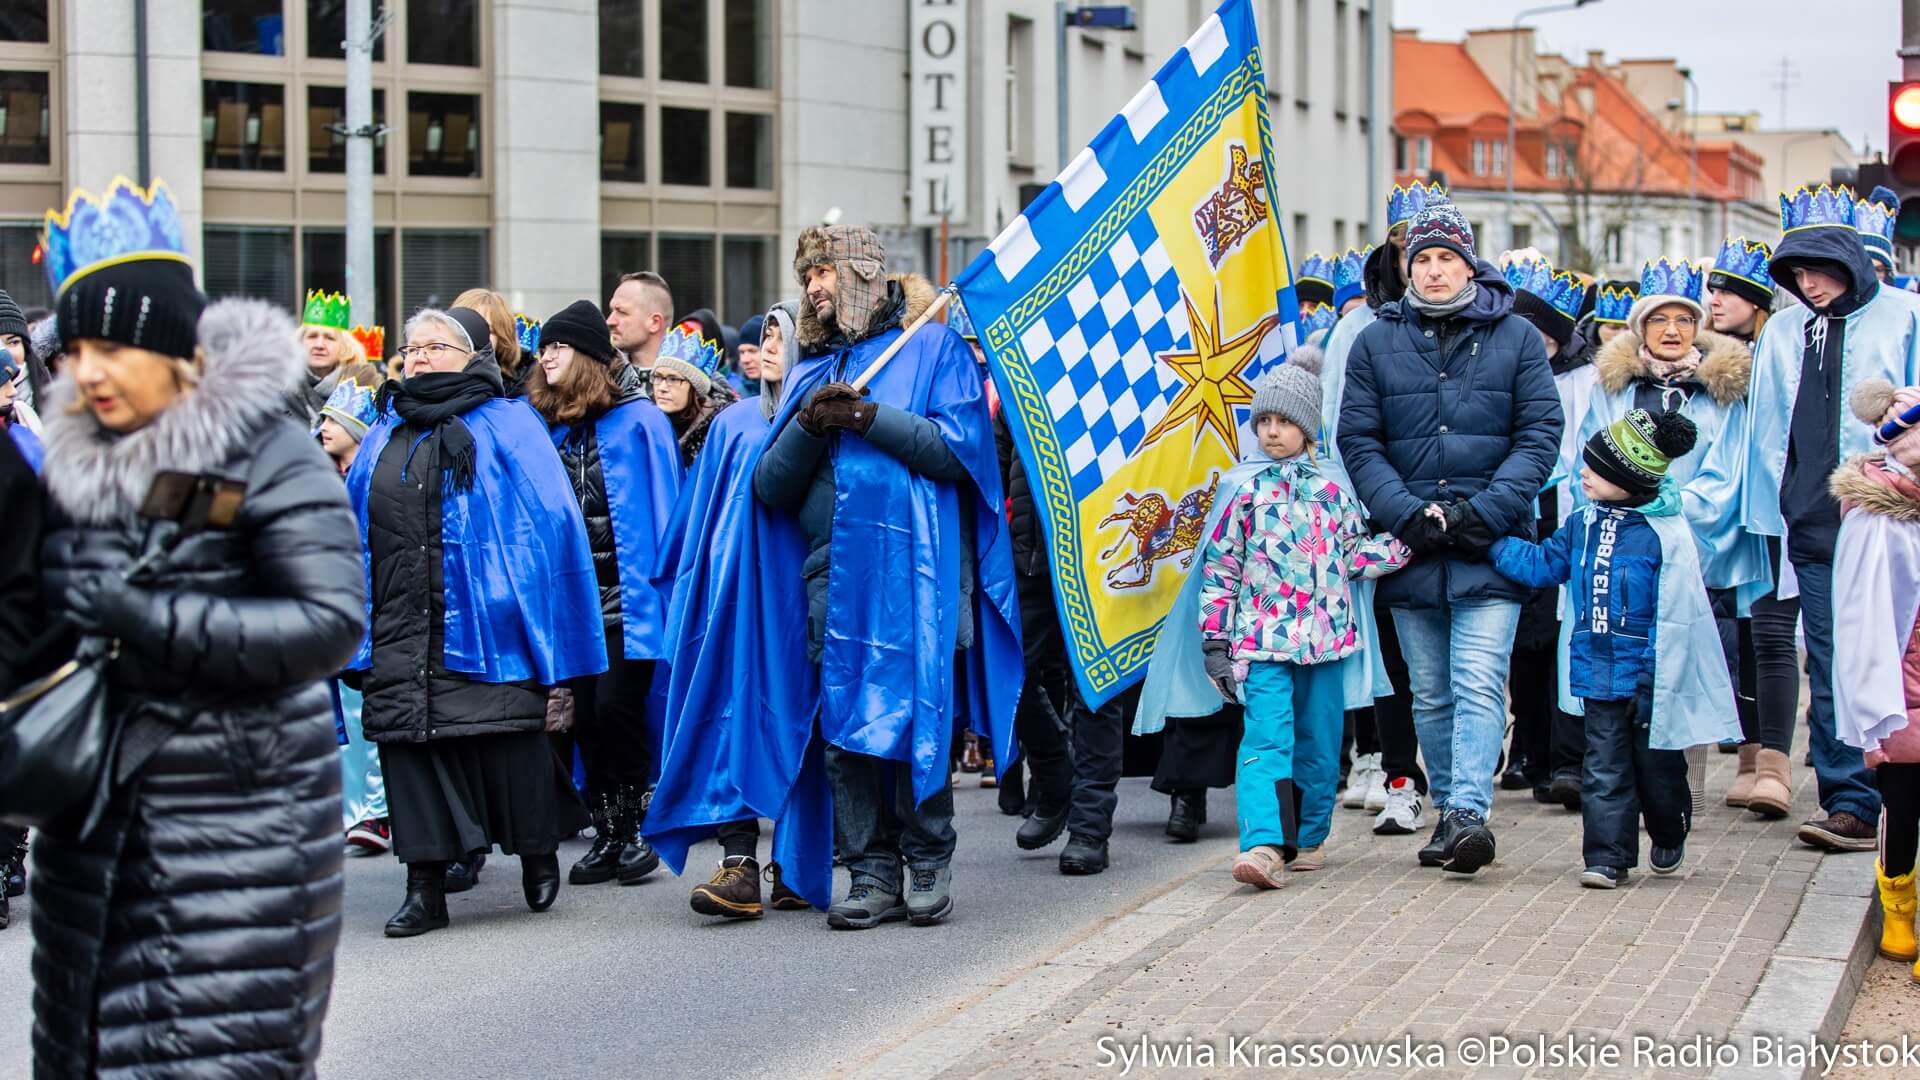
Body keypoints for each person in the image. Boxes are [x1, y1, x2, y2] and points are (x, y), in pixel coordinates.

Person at [29, 177, 364, 1074]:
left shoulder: (265, 449)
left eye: (109, 348)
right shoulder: (77, 463)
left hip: (236, 832)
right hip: (92, 834)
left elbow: (329, 620)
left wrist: (142, 615)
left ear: (170, 345)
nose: (85, 372)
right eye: (74, 350)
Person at [750, 225, 1020, 927]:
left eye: (824, 271)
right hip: (834, 578)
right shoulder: (813, 369)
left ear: (864, 272)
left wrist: (870, 417)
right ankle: (869, 871)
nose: (812, 287)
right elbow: (769, 487)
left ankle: (927, 858)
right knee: (845, 729)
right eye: (806, 275)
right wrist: (809, 424)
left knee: (919, 715)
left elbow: (959, 454)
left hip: (918, 575)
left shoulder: (932, 349)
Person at [344, 305, 608, 937]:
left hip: (490, 622)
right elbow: (352, 532)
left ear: (472, 356)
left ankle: (536, 851)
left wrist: (531, 614)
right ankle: (424, 888)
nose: (419, 357)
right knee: (411, 750)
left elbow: (549, 525)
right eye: (412, 348)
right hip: (402, 623)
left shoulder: (508, 423)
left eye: (435, 346)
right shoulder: (384, 430)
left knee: (506, 743)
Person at [1338, 196, 1563, 876]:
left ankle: (1468, 811)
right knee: (1431, 692)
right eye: (1423, 259)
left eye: (1447, 258)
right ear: (1407, 267)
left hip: (1487, 544)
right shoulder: (1375, 341)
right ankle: (1448, 813)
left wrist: (1482, 513)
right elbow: (1359, 440)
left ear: (1470, 265)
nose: (1434, 270)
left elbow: (1538, 436)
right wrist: (1404, 513)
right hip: (1411, 549)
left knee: (1478, 680)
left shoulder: (1515, 337)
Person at [1729, 185, 1920, 852]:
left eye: (1819, 269)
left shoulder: (1905, 316)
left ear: (1851, 261)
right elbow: (1765, 433)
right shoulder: (1784, 331)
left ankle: (1899, 787)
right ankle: (1851, 799)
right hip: (1809, 520)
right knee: (1835, 660)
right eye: (1797, 273)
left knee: (1897, 656)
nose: (1808, 284)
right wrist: (1766, 514)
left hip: (1891, 519)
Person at [1491, 409, 1735, 888]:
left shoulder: (1664, 535)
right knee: (1603, 769)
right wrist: (1490, 543)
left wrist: (1652, 676)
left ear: (1628, 478)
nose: (1584, 472)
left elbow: (1677, 614)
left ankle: (1670, 828)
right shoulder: (1581, 524)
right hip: (1596, 673)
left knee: (1656, 768)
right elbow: (1542, 565)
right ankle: (1607, 857)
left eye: (1597, 468)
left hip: (1650, 681)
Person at [1199, 359, 1409, 888]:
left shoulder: (1333, 490)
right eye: (1265, 421)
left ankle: (1310, 835)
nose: (1273, 431)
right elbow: (1222, 568)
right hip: (1261, 643)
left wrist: (1408, 542)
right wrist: (1215, 641)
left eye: (1285, 421)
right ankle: (1264, 844)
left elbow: (1354, 556)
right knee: (1266, 741)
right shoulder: (1242, 490)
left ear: (1308, 427)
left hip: (1325, 642)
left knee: (1318, 743)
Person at [1580, 257, 1769, 817]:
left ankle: (1683, 796)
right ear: (1640, 327)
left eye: (1683, 320)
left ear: (1697, 328)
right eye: (1659, 319)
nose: (1671, 330)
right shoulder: (1613, 390)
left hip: (1692, 547)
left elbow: (1728, 470)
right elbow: (1586, 454)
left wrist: (1675, 508)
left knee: (1686, 665)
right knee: (1627, 667)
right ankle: (1627, 793)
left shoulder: (1720, 394)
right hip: (1623, 548)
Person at [527, 298, 683, 887]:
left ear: (588, 355)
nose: (546, 357)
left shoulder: (639, 421)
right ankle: (609, 830)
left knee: (618, 707)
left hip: (630, 600)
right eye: (543, 348)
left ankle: (637, 827)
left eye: (558, 347)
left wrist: (668, 594)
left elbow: (665, 511)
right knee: (586, 717)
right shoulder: (552, 428)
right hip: (577, 605)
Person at [1318, 182, 1435, 841]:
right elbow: (1342, 426)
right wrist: (1358, 509)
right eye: (1407, 248)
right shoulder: (1356, 328)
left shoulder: (1476, 326)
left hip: (1451, 510)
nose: (1421, 261)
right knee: (1388, 653)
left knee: (1448, 660)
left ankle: (1460, 784)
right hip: (1381, 512)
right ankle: (1396, 774)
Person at [1498, 256, 1596, 807]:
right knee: (1524, 640)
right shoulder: (1504, 375)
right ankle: (1526, 749)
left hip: (1567, 512)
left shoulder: (1586, 380)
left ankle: (1565, 757)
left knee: (1562, 635)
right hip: (1520, 511)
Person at [1832, 379, 1920, 979]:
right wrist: (1873, 703)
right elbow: (1863, 613)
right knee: (1904, 801)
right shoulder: (1879, 515)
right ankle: (1898, 905)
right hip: (1904, 687)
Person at [652, 311, 732, 465]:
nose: (662, 387)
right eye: (658, 377)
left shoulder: (719, 434)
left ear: (695, 388)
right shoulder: (645, 426)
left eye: (673, 379)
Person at [293, 288, 368, 422]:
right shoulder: (278, 391)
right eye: (312, 336)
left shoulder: (363, 395)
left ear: (345, 347)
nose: (319, 345)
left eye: (329, 338)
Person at [452, 287, 529, 397]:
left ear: (502, 338)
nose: (472, 336)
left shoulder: (528, 392)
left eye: (486, 330)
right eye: (464, 328)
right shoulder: (430, 375)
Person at [608, 270, 674, 391]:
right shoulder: (602, 381)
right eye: (612, 311)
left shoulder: (691, 387)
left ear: (654, 323)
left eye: (622, 312)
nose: (610, 321)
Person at [735, 312, 765, 399]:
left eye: (752, 351)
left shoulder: (788, 391)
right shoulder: (737, 397)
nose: (745, 360)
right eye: (742, 352)